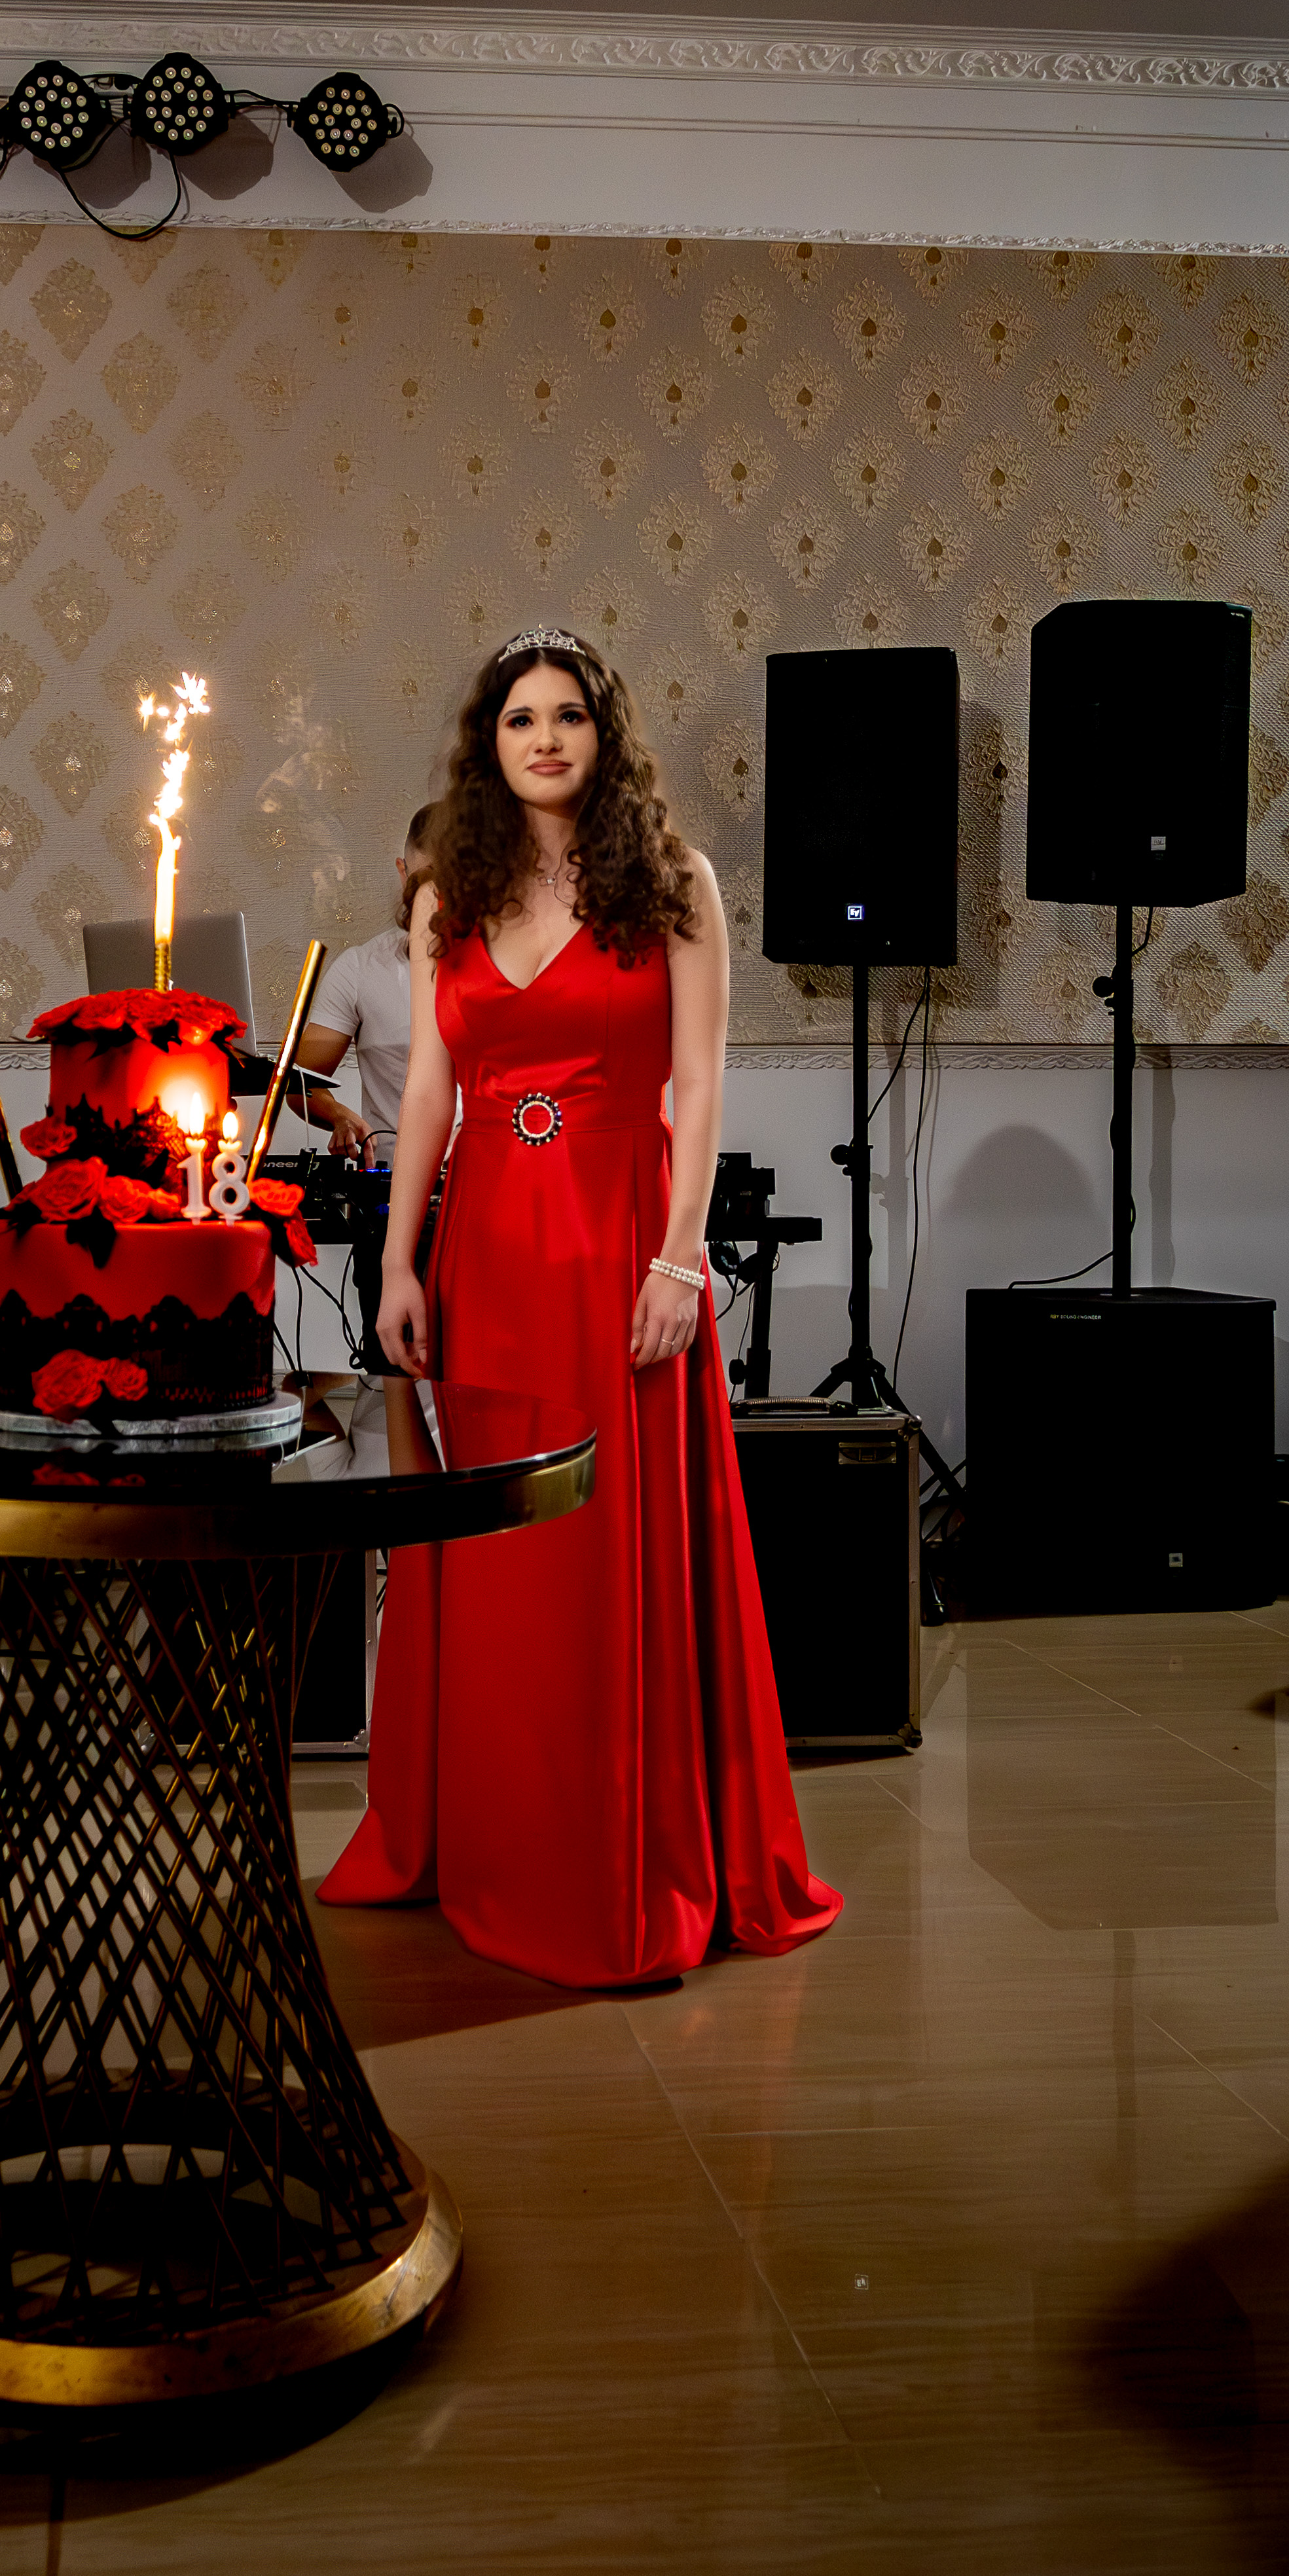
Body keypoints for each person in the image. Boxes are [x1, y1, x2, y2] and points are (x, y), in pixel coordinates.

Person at [320, 623, 840, 1988]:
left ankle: (617, 1849)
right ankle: (492, 1835)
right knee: (499, 1557)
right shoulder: (449, 897)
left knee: (609, 1541)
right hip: (487, 1251)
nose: (543, 737)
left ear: (604, 735)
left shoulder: (672, 882)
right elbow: (429, 1094)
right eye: (518, 719)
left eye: (566, 714)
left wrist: (681, 1260)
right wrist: (399, 1262)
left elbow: (701, 1085)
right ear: (487, 746)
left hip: (618, 1243)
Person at [295, 804, 430, 1362]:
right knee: (397, 1365)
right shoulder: (360, 968)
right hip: (394, 1196)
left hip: (496, 1192)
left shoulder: (515, 964)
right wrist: (340, 1115)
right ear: (403, 873)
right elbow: (299, 1084)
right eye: (426, 880)